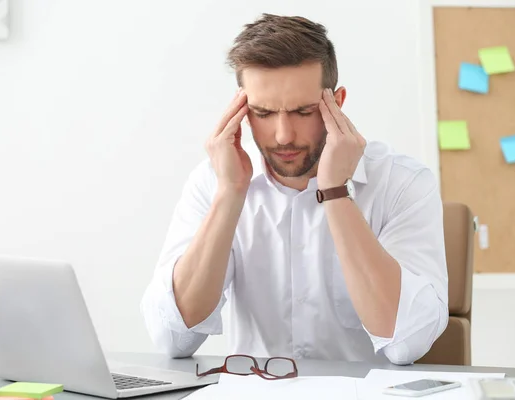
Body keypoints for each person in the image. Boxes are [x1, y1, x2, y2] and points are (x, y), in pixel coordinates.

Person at [140, 13, 448, 365]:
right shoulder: (213, 182)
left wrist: (334, 192)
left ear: (338, 103)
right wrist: (229, 193)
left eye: (303, 111)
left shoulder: (403, 183)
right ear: (240, 110)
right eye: (263, 112)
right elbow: (173, 338)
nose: (284, 135)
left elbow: (407, 343)